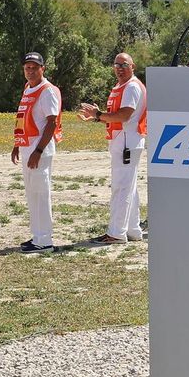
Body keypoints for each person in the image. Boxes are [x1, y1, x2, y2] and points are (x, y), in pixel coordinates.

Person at [77, 53, 147, 245]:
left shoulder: (131, 86)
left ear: (133, 66)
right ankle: (133, 229)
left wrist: (99, 115)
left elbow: (124, 115)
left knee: (121, 187)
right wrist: (97, 117)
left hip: (127, 141)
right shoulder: (120, 86)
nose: (119, 68)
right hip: (123, 140)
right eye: (116, 65)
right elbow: (115, 116)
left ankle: (116, 233)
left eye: (124, 64)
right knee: (129, 187)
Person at [12, 53, 62, 254]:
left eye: (34, 67)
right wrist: (17, 144)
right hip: (27, 147)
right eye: (27, 67)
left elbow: (52, 122)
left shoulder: (47, 91)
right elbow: (24, 118)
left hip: (39, 150)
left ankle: (45, 240)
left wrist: (38, 150)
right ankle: (37, 236)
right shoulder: (28, 88)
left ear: (43, 68)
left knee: (41, 193)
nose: (30, 71)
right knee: (32, 194)